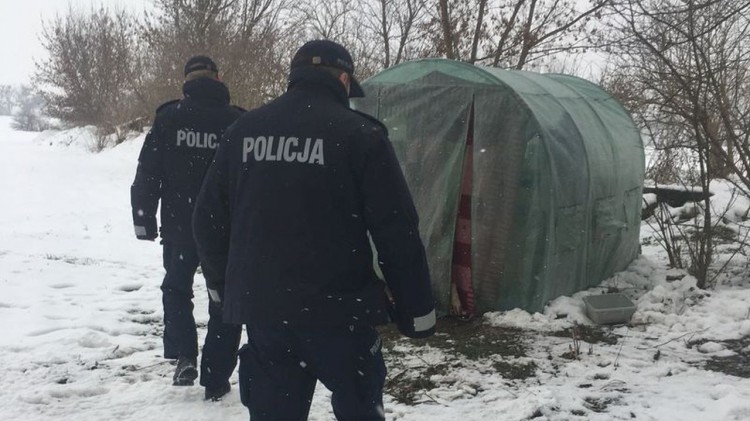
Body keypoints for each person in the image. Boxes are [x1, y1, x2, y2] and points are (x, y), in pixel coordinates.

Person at [192, 40, 436, 420]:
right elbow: (396, 231)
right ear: (343, 78)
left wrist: (225, 289)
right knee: (359, 409)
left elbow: (207, 220)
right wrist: (416, 311)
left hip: (266, 316)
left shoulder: (243, 131)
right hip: (341, 315)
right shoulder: (360, 135)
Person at [130, 55, 244, 401]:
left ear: (186, 80)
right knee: (224, 298)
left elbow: (148, 171)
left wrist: (143, 218)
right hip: (225, 230)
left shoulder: (169, 118)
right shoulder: (237, 121)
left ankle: (184, 356)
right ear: (218, 78)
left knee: (176, 288)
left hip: (181, 226)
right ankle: (216, 376)